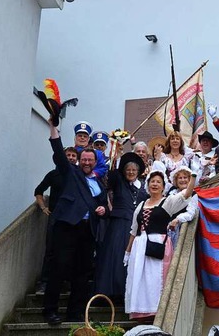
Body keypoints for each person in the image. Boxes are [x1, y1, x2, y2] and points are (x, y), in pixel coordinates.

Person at [43, 119, 108, 325]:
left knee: (82, 273)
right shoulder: (71, 173)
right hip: (67, 228)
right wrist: (53, 127)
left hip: (87, 231)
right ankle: (50, 310)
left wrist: (102, 209)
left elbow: (103, 206)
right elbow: (58, 152)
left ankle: (74, 312)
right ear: (79, 160)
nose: (87, 162)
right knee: (59, 268)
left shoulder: (98, 183)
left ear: (95, 162)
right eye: (84, 159)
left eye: (91, 160)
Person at [124, 170, 195, 320]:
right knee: (140, 279)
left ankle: (157, 311)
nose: (155, 184)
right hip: (140, 245)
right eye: (152, 181)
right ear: (148, 185)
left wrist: (193, 176)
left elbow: (187, 193)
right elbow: (133, 230)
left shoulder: (167, 202)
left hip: (159, 245)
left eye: (158, 182)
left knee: (156, 279)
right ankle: (141, 312)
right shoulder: (141, 205)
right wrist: (128, 252)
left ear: (163, 187)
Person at [94, 152, 148, 300]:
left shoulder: (144, 187)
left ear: (138, 172)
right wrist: (116, 151)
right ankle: (110, 292)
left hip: (136, 226)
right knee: (115, 256)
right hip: (118, 225)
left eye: (133, 170)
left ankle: (129, 292)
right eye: (128, 170)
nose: (130, 172)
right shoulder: (118, 182)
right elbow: (112, 173)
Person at [33, 147, 78, 295]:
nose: (71, 157)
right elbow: (39, 191)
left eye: (73, 155)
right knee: (51, 249)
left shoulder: (77, 175)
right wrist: (43, 207)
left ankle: (66, 283)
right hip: (55, 218)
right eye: (68, 155)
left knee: (70, 251)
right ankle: (45, 282)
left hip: (72, 218)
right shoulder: (53, 174)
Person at [167, 166, 198, 247]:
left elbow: (190, 213)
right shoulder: (171, 192)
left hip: (180, 229)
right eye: (180, 178)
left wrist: (177, 219)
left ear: (189, 180)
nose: (183, 180)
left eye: (185, 177)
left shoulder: (193, 194)